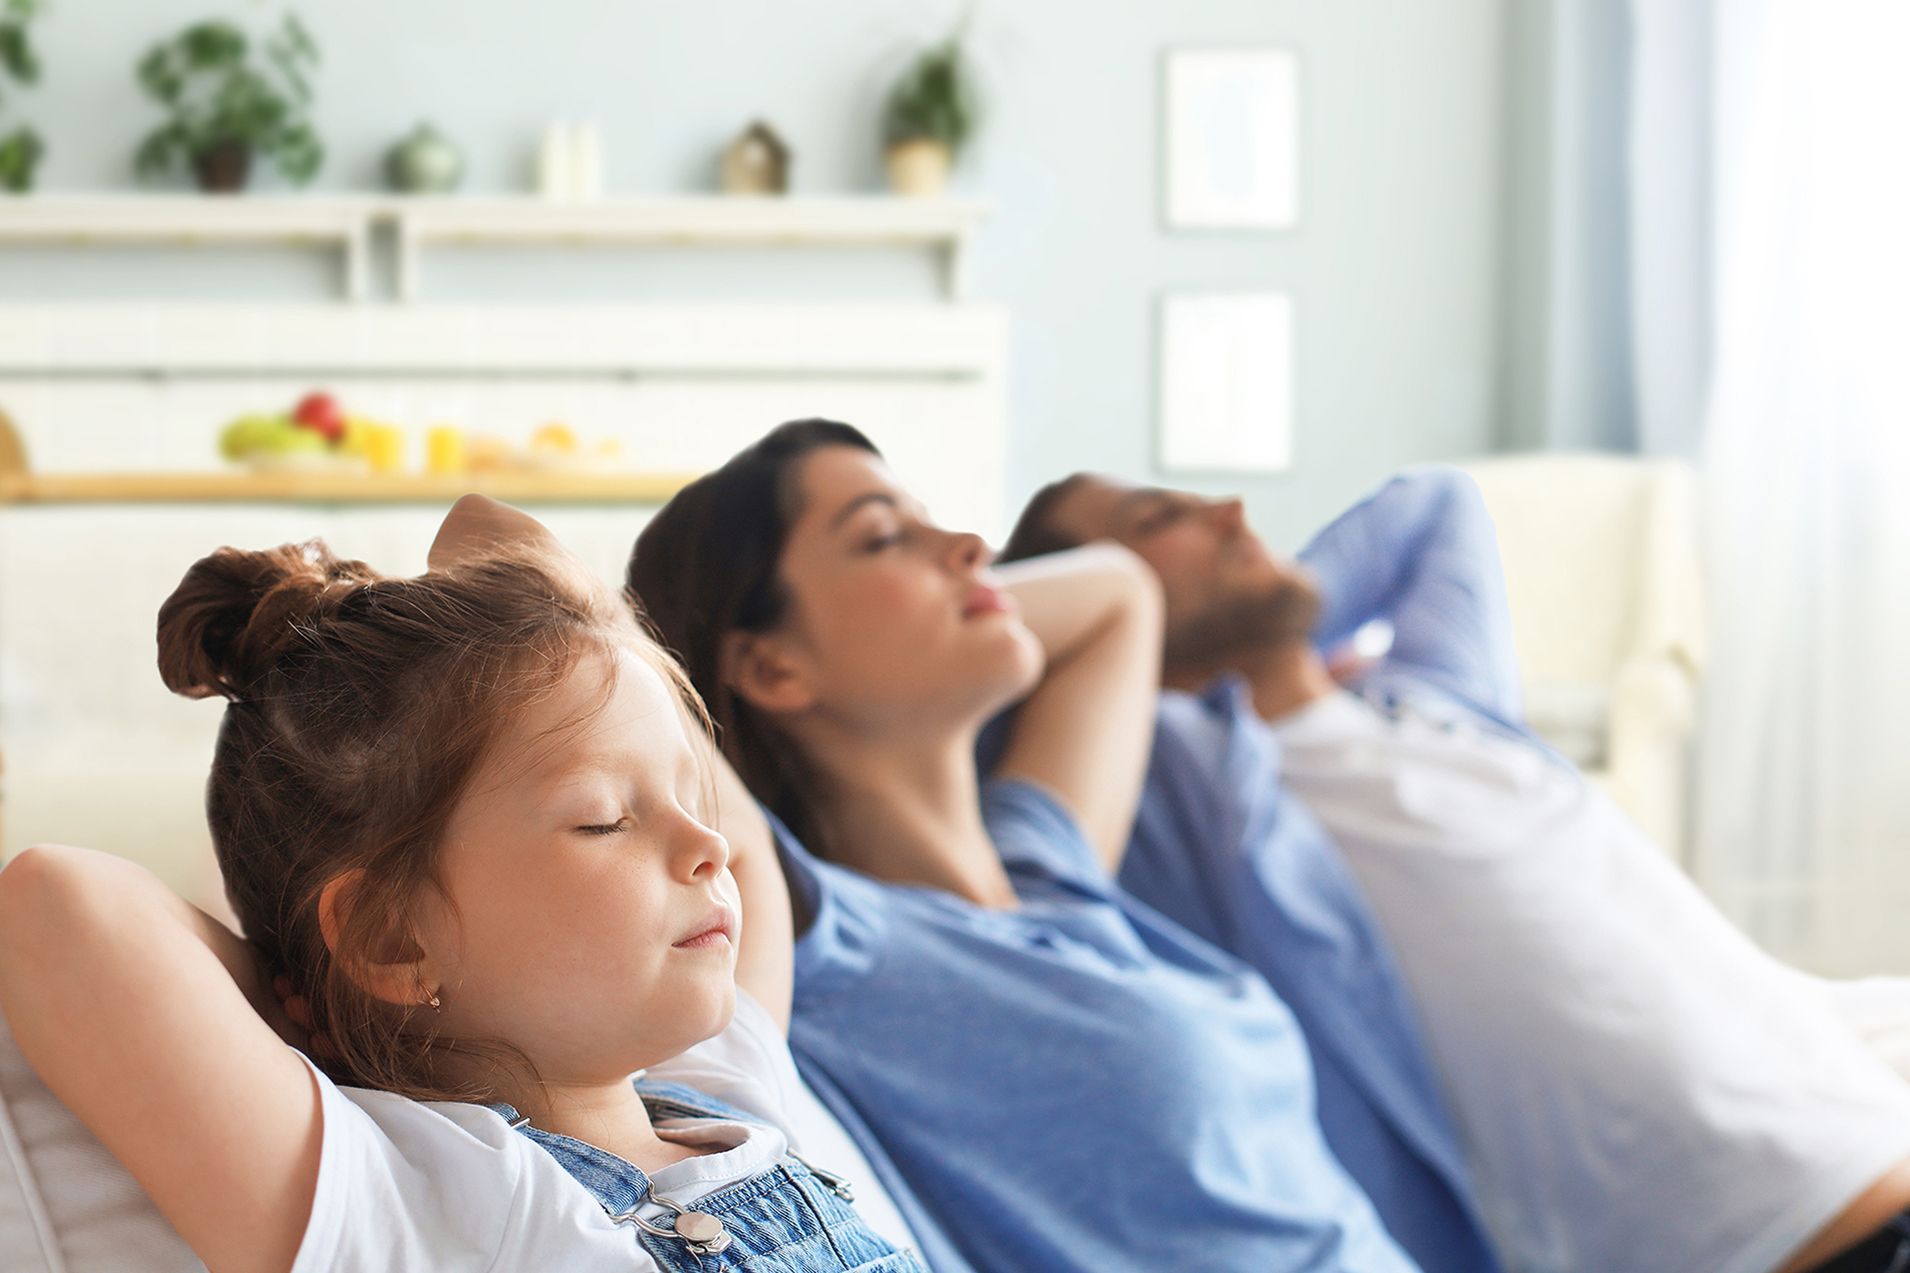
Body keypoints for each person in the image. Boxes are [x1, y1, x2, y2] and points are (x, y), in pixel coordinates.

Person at [997, 466, 1910, 1273]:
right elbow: (983, 688)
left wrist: (1286, 628)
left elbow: (1436, 504)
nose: (1233, 509)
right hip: (1810, 1242)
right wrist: (1142, 632)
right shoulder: (1200, 790)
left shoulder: (1438, 705)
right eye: (1161, 518)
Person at [0, 495, 924, 1273]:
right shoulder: (438, 1203)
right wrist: (305, 995)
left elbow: (490, 525)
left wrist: (570, 622)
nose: (706, 844)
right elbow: (59, 903)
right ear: (392, 936)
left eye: (690, 796)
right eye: (605, 818)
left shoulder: (724, 1086)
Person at [629, 419, 1431, 1273]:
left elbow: (1120, 590)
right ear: (771, 668)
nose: (970, 544)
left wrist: (944, 591)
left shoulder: (1047, 867)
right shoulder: (829, 944)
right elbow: (610, 665)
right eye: (883, 536)